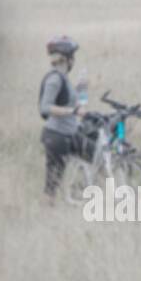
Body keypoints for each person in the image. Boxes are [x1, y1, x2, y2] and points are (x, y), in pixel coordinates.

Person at [38, 34, 83, 204]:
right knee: (52, 185)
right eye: (72, 57)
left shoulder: (64, 78)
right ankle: (45, 212)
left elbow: (69, 100)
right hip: (57, 135)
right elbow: (45, 107)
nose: (74, 61)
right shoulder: (55, 79)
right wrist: (71, 111)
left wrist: (80, 88)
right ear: (66, 59)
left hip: (67, 134)